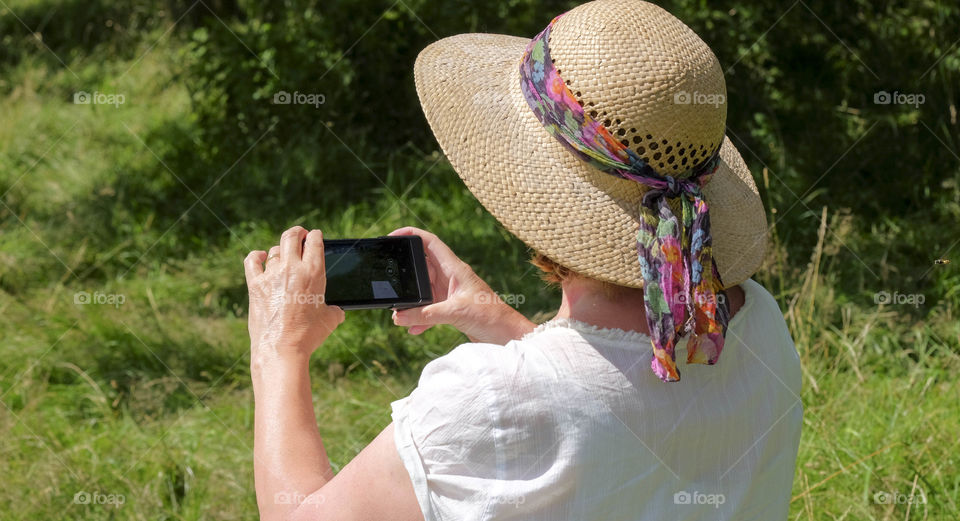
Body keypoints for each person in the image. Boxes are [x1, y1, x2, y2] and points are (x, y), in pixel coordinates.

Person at [242, 1, 803, 519]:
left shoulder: (483, 402)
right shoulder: (757, 326)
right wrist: (503, 324)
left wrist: (279, 349)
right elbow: (609, 409)